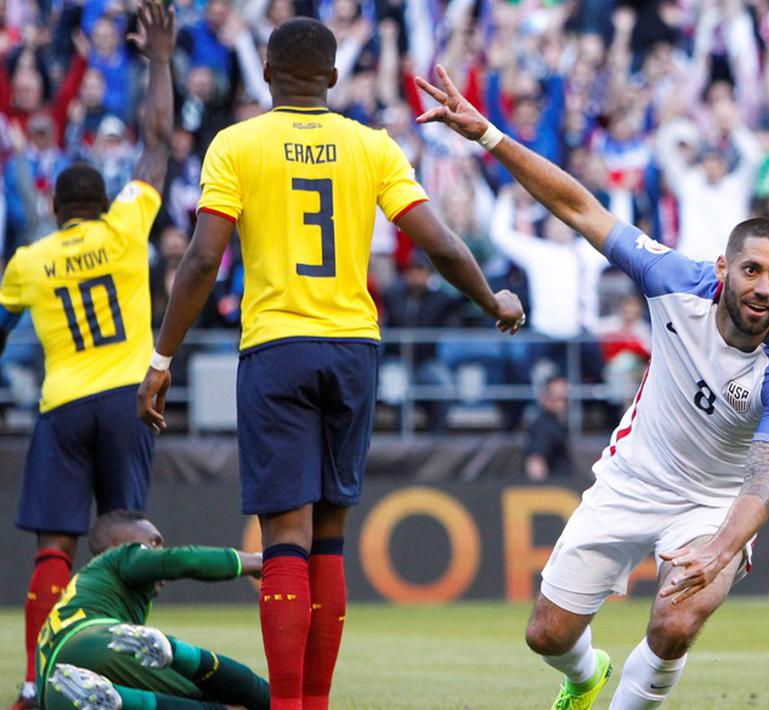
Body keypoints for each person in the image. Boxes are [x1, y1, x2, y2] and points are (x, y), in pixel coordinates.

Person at [135, 19, 524, 710]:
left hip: (278, 347)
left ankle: (288, 708)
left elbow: (200, 259)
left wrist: (162, 357)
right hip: (353, 349)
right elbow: (438, 242)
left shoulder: (237, 145)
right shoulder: (370, 145)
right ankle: (315, 704)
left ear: (264, 72)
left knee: (286, 535)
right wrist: (490, 298)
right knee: (331, 536)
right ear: (335, 79)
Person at [417, 65, 769, 710]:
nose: (763, 288)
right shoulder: (674, 279)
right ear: (723, 269)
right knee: (547, 635)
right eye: (751, 271)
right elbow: (581, 208)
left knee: (675, 622)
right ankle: (586, 676)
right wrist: (488, 134)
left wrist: (718, 550)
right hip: (633, 475)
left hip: (714, 501)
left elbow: (765, 478)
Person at [0, 1, 174, 706]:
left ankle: (40, 683)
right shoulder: (129, 226)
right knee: (127, 548)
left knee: (54, 549)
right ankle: (118, 669)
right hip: (128, 398)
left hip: (65, 404)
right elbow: (158, 140)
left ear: (53, 203)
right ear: (103, 204)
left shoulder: (31, 259)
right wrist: (158, 59)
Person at [36, 510, 269, 710]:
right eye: (154, 543)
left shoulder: (86, 590)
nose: (160, 550)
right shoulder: (118, 558)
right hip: (98, 642)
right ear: (117, 547)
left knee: (163, 701)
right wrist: (259, 561)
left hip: (57, 688)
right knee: (233, 692)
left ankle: (119, 699)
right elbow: (182, 561)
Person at [524, 375, 572, 481]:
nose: (563, 403)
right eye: (558, 397)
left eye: (565, 398)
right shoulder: (544, 426)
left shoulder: (557, 424)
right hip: (554, 491)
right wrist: (543, 492)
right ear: (544, 398)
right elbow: (535, 463)